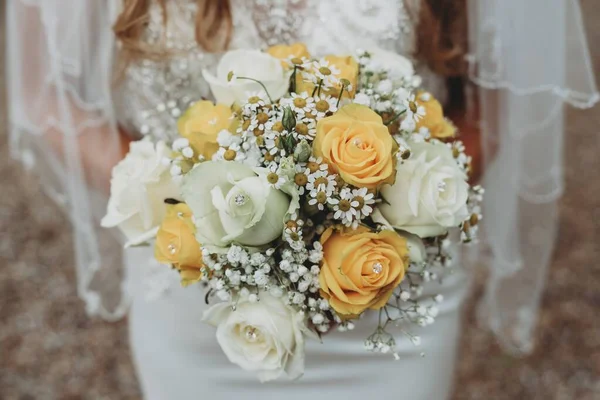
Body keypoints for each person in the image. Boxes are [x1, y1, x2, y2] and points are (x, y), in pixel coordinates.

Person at [6, 0, 598, 399]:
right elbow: (43, 99)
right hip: (199, 304)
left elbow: (494, 101)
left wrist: (391, 205)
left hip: (388, 298)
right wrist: (192, 204)